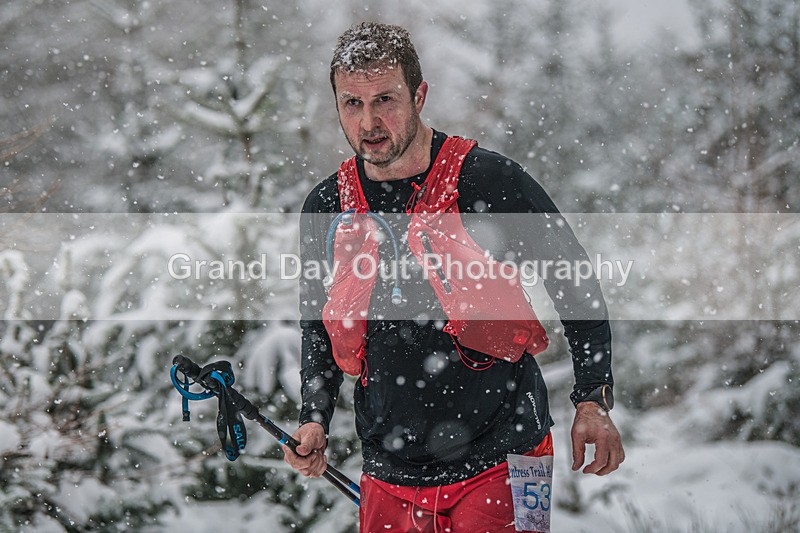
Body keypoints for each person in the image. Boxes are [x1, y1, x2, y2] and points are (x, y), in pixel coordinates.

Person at [283, 21, 624, 532]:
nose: (369, 121)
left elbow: (573, 280)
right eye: (352, 103)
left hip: (506, 453)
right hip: (389, 463)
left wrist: (592, 398)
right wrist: (315, 415)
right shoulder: (327, 206)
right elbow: (318, 321)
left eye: (386, 99)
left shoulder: (491, 181)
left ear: (419, 95)